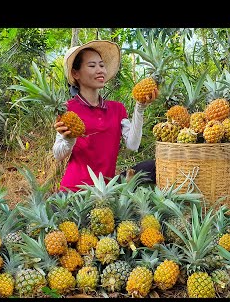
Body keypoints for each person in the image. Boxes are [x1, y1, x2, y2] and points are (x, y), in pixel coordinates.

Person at [53, 40, 157, 192]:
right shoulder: (68, 109)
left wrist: (139, 108)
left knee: (152, 166)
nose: (100, 70)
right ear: (76, 74)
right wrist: (69, 140)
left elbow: (133, 145)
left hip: (106, 189)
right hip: (75, 191)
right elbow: (58, 154)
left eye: (101, 65)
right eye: (92, 65)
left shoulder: (117, 108)